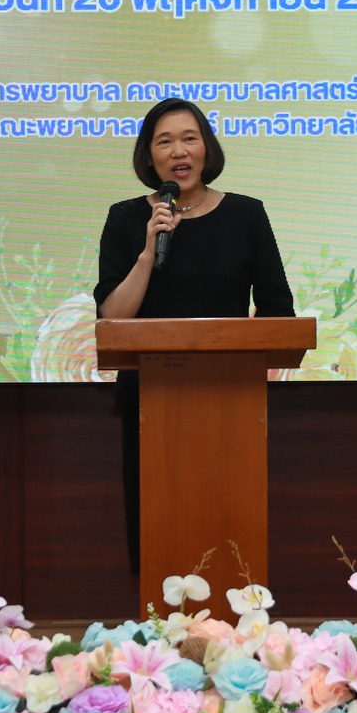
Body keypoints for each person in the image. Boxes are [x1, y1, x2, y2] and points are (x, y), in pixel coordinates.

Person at [94, 97, 294, 573]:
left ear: (207, 149)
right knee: (157, 529)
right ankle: (159, 615)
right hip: (150, 401)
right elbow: (112, 319)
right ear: (149, 156)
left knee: (229, 526)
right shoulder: (126, 219)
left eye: (190, 138)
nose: (179, 151)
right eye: (164, 142)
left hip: (230, 401)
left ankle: (236, 613)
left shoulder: (246, 215)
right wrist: (148, 251)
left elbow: (278, 309)